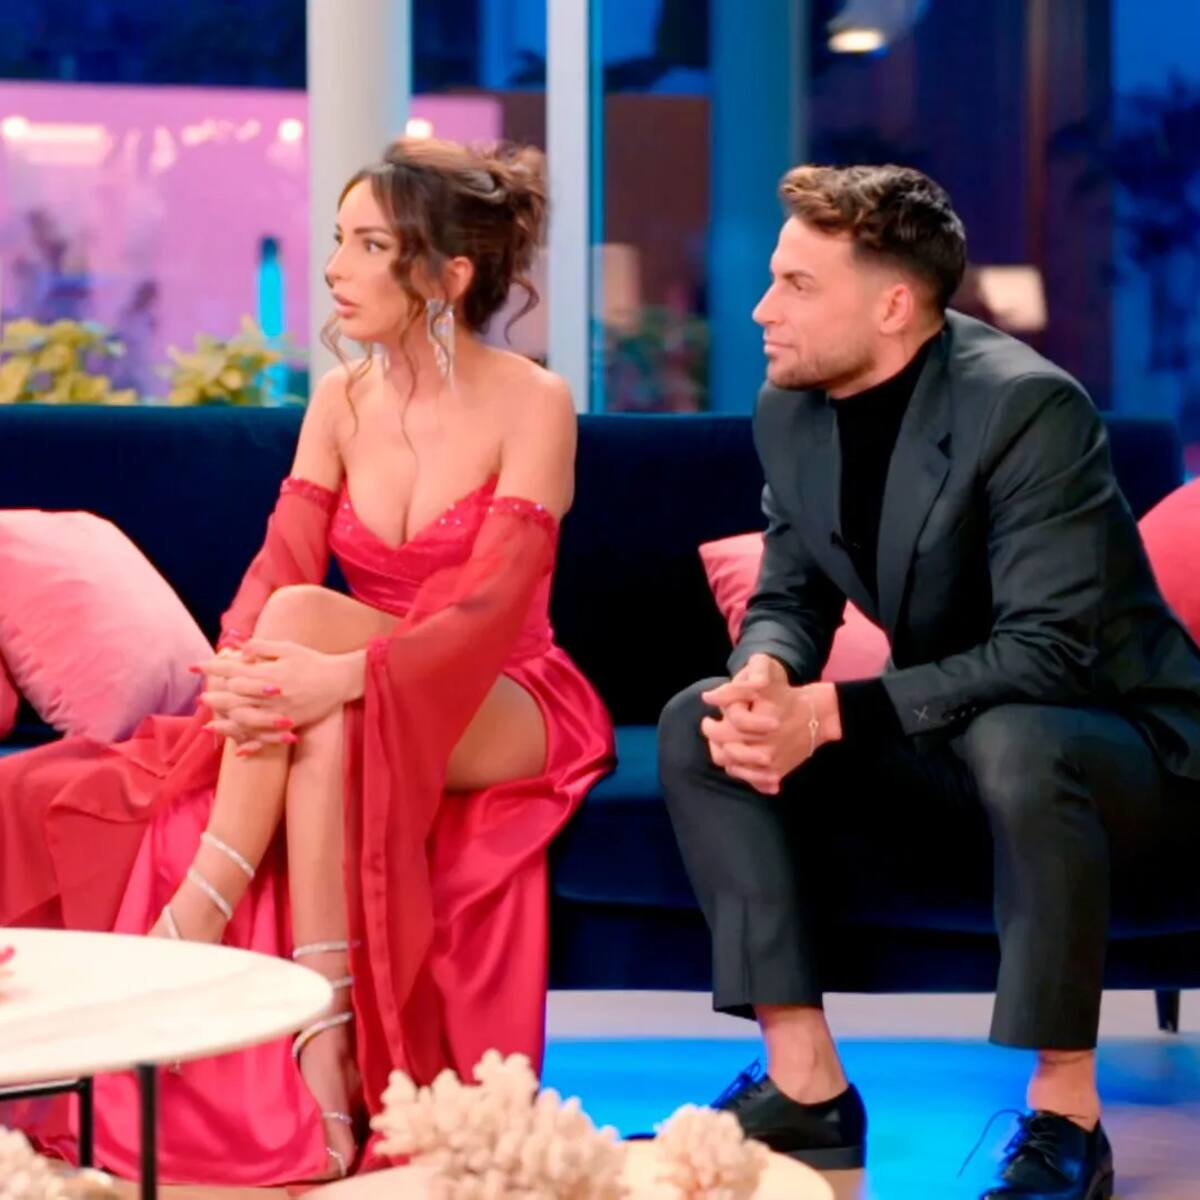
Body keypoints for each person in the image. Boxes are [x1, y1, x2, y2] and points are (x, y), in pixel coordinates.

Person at [0, 137, 614, 1186]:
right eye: (338, 238)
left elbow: (489, 608)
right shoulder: (341, 399)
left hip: (501, 690)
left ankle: (198, 915)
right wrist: (238, 669)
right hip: (353, 683)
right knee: (307, 669)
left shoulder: (534, 402)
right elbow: (282, 562)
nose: (333, 268)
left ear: (447, 276)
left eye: (369, 245)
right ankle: (326, 1035)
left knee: (316, 658)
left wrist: (336, 674)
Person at [657, 164, 1200, 1200]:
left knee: (1021, 737)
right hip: (952, 729)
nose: (762, 309)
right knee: (702, 721)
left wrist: (831, 712)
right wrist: (768, 674)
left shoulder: (1027, 408)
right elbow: (792, 589)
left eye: (797, 285)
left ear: (894, 305)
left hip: (1125, 751)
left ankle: (1067, 1121)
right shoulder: (792, 406)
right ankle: (806, 1087)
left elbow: (1048, 654)